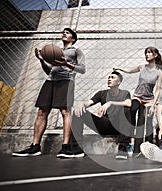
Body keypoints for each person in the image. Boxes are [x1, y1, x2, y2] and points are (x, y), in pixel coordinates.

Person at [12, 28, 86, 158]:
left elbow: (82, 69)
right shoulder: (55, 51)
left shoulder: (76, 51)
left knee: (65, 112)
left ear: (73, 38)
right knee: (42, 112)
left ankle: (65, 147)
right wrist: (41, 59)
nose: (64, 33)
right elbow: (49, 71)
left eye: (67, 33)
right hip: (50, 80)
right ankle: (35, 147)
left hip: (66, 81)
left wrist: (66, 64)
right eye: (63, 32)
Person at [113, 46, 162, 156]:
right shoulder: (142, 67)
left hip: (149, 99)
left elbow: (158, 90)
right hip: (138, 96)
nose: (147, 54)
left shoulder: (159, 72)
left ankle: (143, 147)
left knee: (144, 121)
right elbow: (130, 71)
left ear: (155, 55)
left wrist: (153, 104)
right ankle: (130, 140)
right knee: (133, 109)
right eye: (146, 53)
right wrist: (120, 69)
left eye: (149, 53)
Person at [70, 71, 132, 159]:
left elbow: (128, 103)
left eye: (113, 77)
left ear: (119, 82)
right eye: (109, 77)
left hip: (119, 127)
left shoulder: (125, 93)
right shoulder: (101, 93)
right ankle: (76, 148)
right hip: (105, 126)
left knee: (125, 109)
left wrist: (110, 103)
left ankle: (123, 148)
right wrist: (80, 103)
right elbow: (88, 103)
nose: (109, 79)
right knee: (79, 111)